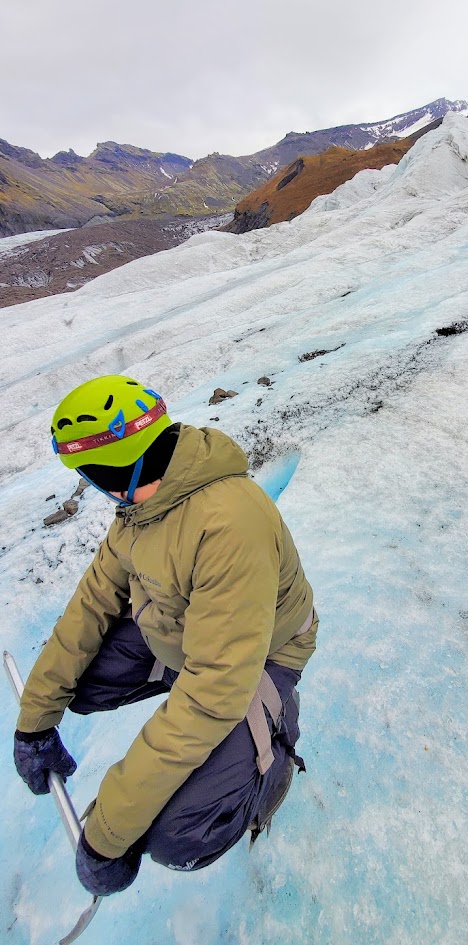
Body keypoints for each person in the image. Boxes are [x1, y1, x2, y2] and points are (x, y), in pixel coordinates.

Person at [13, 375, 317, 896]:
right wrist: (35, 720)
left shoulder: (229, 523)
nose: (89, 486)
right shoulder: (139, 507)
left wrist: (108, 830)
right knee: (79, 686)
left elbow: (213, 691)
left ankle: (273, 746)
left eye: (88, 474)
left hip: (262, 653)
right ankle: (198, 698)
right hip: (190, 635)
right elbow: (91, 605)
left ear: (115, 470)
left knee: (177, 838)